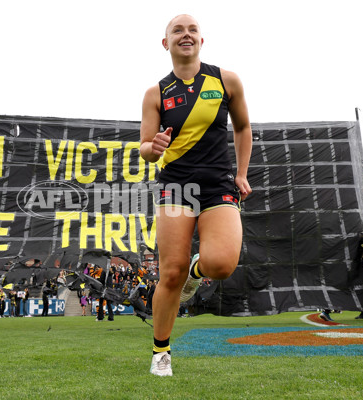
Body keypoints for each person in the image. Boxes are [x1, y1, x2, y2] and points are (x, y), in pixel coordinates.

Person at [139, 14, 252, 376]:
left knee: (220, 264)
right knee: (169, 275)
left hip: (219, 185)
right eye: (177, 30)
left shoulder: (226, 80)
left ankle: (196, 271)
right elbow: (145, 147)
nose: (185, 35)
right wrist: (153, 147)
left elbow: (243, 126)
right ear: (166, 43)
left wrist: (241, 173)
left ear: (202, 41)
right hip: (176, 186)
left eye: (192, 30)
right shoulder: (155, 93)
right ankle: (161, 353)